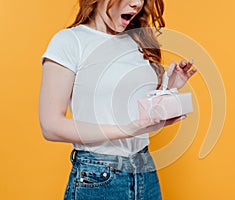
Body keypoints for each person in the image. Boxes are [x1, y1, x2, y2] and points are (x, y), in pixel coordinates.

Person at [39, 0, 197, 199]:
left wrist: (170, 86)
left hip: (145, 170)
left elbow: (135, 112)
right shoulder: (70, 41)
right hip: (98, 176)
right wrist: (126, 130)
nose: (137, 4)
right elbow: (51, 125)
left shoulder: (136, 41)